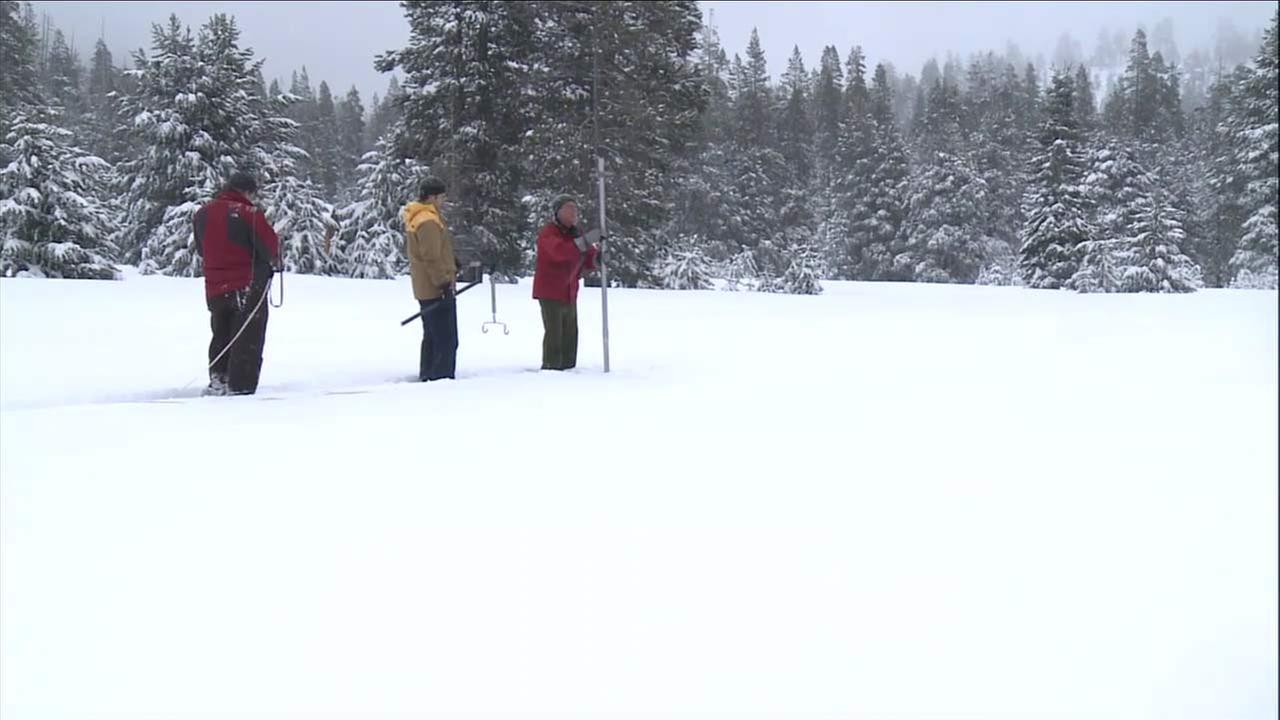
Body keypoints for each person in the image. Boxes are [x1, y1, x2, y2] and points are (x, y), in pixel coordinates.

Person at [194, 171, 280, 397]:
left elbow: (201, 250)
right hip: (247, 286)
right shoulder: (249, 214)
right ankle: (240, 389)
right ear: (248, 192)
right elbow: (270, 247)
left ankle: (218, 378)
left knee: (220, 333)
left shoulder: (202, 214)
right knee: (247, 338)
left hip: (214, 287)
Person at [532, 194, 600, 371]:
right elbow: (560, 253)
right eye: (568, 208)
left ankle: (569, 368)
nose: (573, 213)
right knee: (555, 333)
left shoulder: (576, 234)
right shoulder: (549, 233)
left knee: (570, 334)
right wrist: (585, 243)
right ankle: (551, 367)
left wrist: (597, 257)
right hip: (551, 291)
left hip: (569, 290)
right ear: (558, 212)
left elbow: (587, 257)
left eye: (575, 209)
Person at [404, 176, 458, 381]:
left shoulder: (419, 217)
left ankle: (428, 375)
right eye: (442, 197)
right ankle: (440, 379)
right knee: (446, 339)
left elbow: (433, 251)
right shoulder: (427, 220)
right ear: (433, 197)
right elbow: (431, 256)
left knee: (432, 337)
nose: (443, 201)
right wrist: (444, 283)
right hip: (435, 288)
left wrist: (453, 262)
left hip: (425, 287)